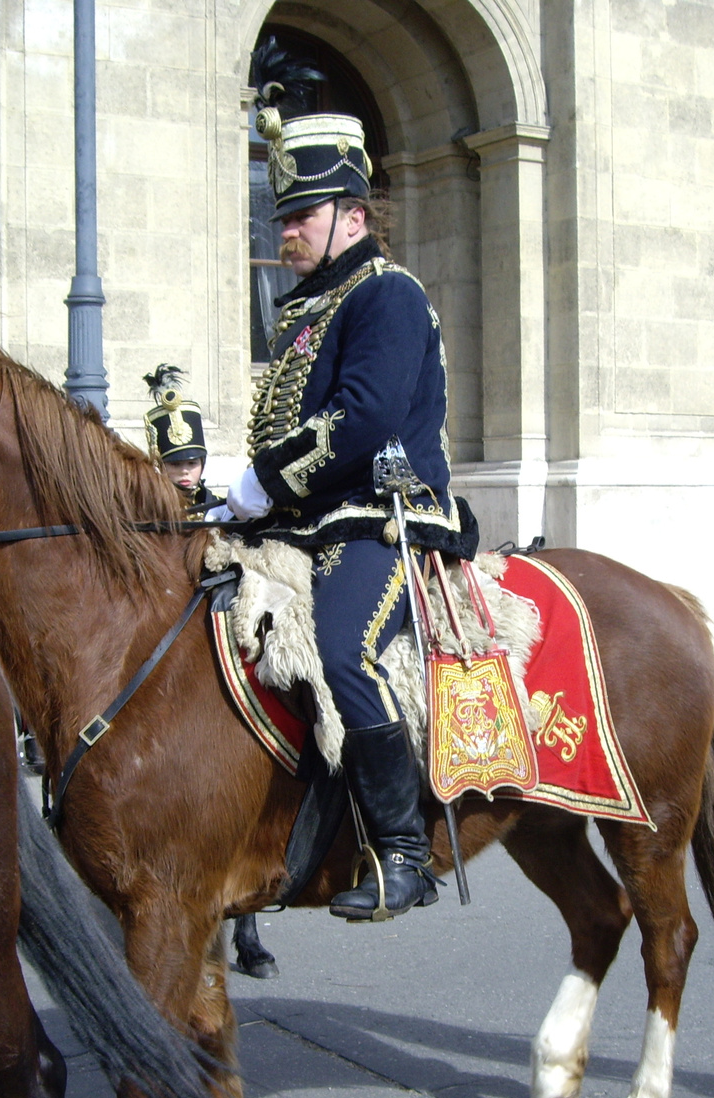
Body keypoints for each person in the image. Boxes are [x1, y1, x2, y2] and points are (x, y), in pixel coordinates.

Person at [213, 99, 477, 921]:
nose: (284, 229)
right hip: (305, 517)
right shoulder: (306, 311)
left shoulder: (385, 294)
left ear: (353, 215)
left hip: (379, 513)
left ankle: (403, 853)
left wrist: (263, 480)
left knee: (343, 648)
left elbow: (361, 420)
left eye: (300, 215)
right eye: (281, 214)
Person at [142, 366, 278, 976]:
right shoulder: (145, 517)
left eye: (193, 459)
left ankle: (247, 930)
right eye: (176, 463)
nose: (187, 471)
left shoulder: (219, 508)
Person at [143, 364, 222, 508]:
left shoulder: (219, 508)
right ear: (160, 466)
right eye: (175, 464)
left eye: (192, 463)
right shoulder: (148, 509)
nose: (184, 471)